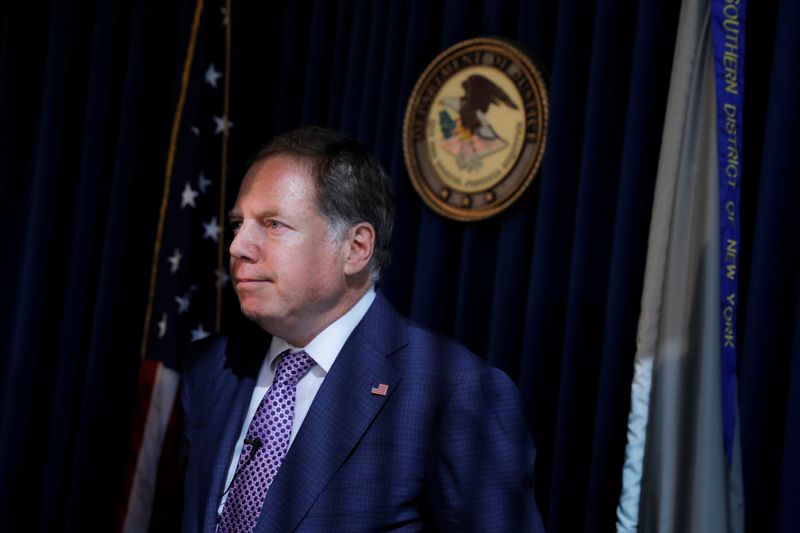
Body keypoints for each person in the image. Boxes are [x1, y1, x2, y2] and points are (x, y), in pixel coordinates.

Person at [181, 125, 545, 532]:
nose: (237, 246)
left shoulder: (454, 393)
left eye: (273, 224)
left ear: (355, 248)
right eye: (237, 224)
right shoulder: (211, 366)